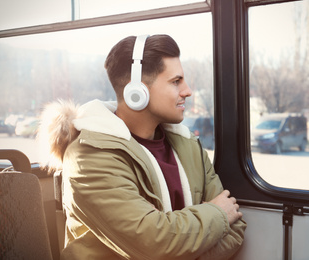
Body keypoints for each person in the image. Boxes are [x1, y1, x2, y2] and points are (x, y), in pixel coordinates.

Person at [38, 34, 246, 260]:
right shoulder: (88, 158)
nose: (187, 91)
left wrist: (211, 224)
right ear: (136, 92)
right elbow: (154, 244)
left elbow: (235, 228)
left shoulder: (189, 146)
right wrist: (217, 215)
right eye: (176, 81)